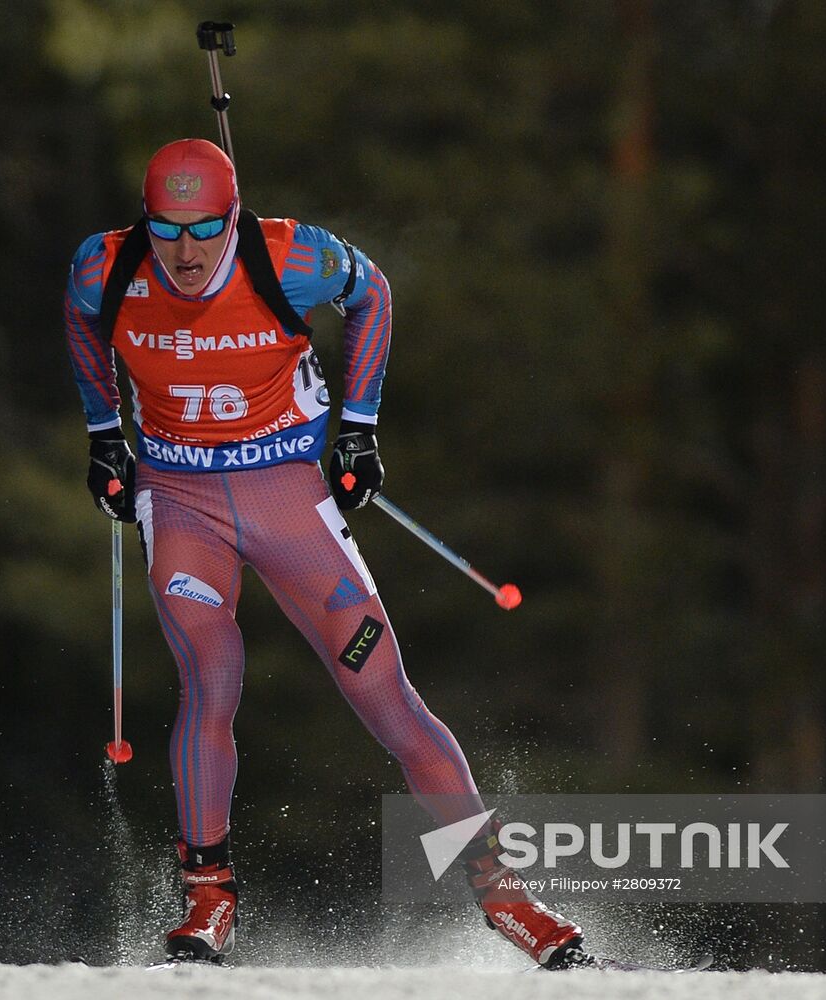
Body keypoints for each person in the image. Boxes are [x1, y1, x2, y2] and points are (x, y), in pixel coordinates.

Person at [63, 138, 588, 967]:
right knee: (211, 676)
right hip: (182, 500)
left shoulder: (288, 255)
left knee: (387, 697)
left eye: (205, 229)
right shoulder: (104, 268)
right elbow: (83, 325)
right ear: (144, 219)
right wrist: (104, 436)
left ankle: (503, 899)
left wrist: (359, 428)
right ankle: (209, 897)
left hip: (288, 500)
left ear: (232, 215)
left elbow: (372, 294)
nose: (187, 253)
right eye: (167, 230)